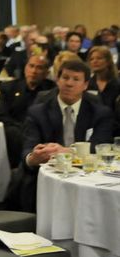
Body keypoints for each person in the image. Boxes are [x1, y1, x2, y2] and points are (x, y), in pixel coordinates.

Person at [18, 59, 114, 211]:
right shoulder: (38, 112)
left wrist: (68, 152)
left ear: (86, 85)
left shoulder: (100, 113)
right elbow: (27, 150)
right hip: (49, 179)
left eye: (76, 79)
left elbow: (101, 146)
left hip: (89, 179)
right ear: (57, 79)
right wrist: (32, 158)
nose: (69, 84)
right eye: (65, 78)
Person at [0, 54, 56, 167]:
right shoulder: (9, 87)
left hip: (41, 135)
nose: (34, 71)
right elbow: (0, 115)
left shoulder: (52, 90)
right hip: (15, 132)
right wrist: (22, 128)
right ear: (25, 68)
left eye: (39, 67)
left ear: (46, 73)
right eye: (31, 66)